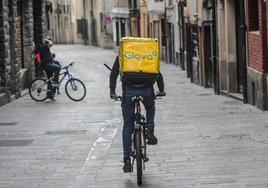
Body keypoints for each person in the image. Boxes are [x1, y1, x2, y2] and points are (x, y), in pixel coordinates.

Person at [109, 55, 166, 172]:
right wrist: (161, 90)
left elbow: (113, 74)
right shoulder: (146, 52)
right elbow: (157, 71)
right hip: (146, 89)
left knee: (127, 126)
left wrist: (112, 91)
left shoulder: (122, 53)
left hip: (129, 90)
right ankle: (149, 129)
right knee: (150, 106)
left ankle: (126, 161)